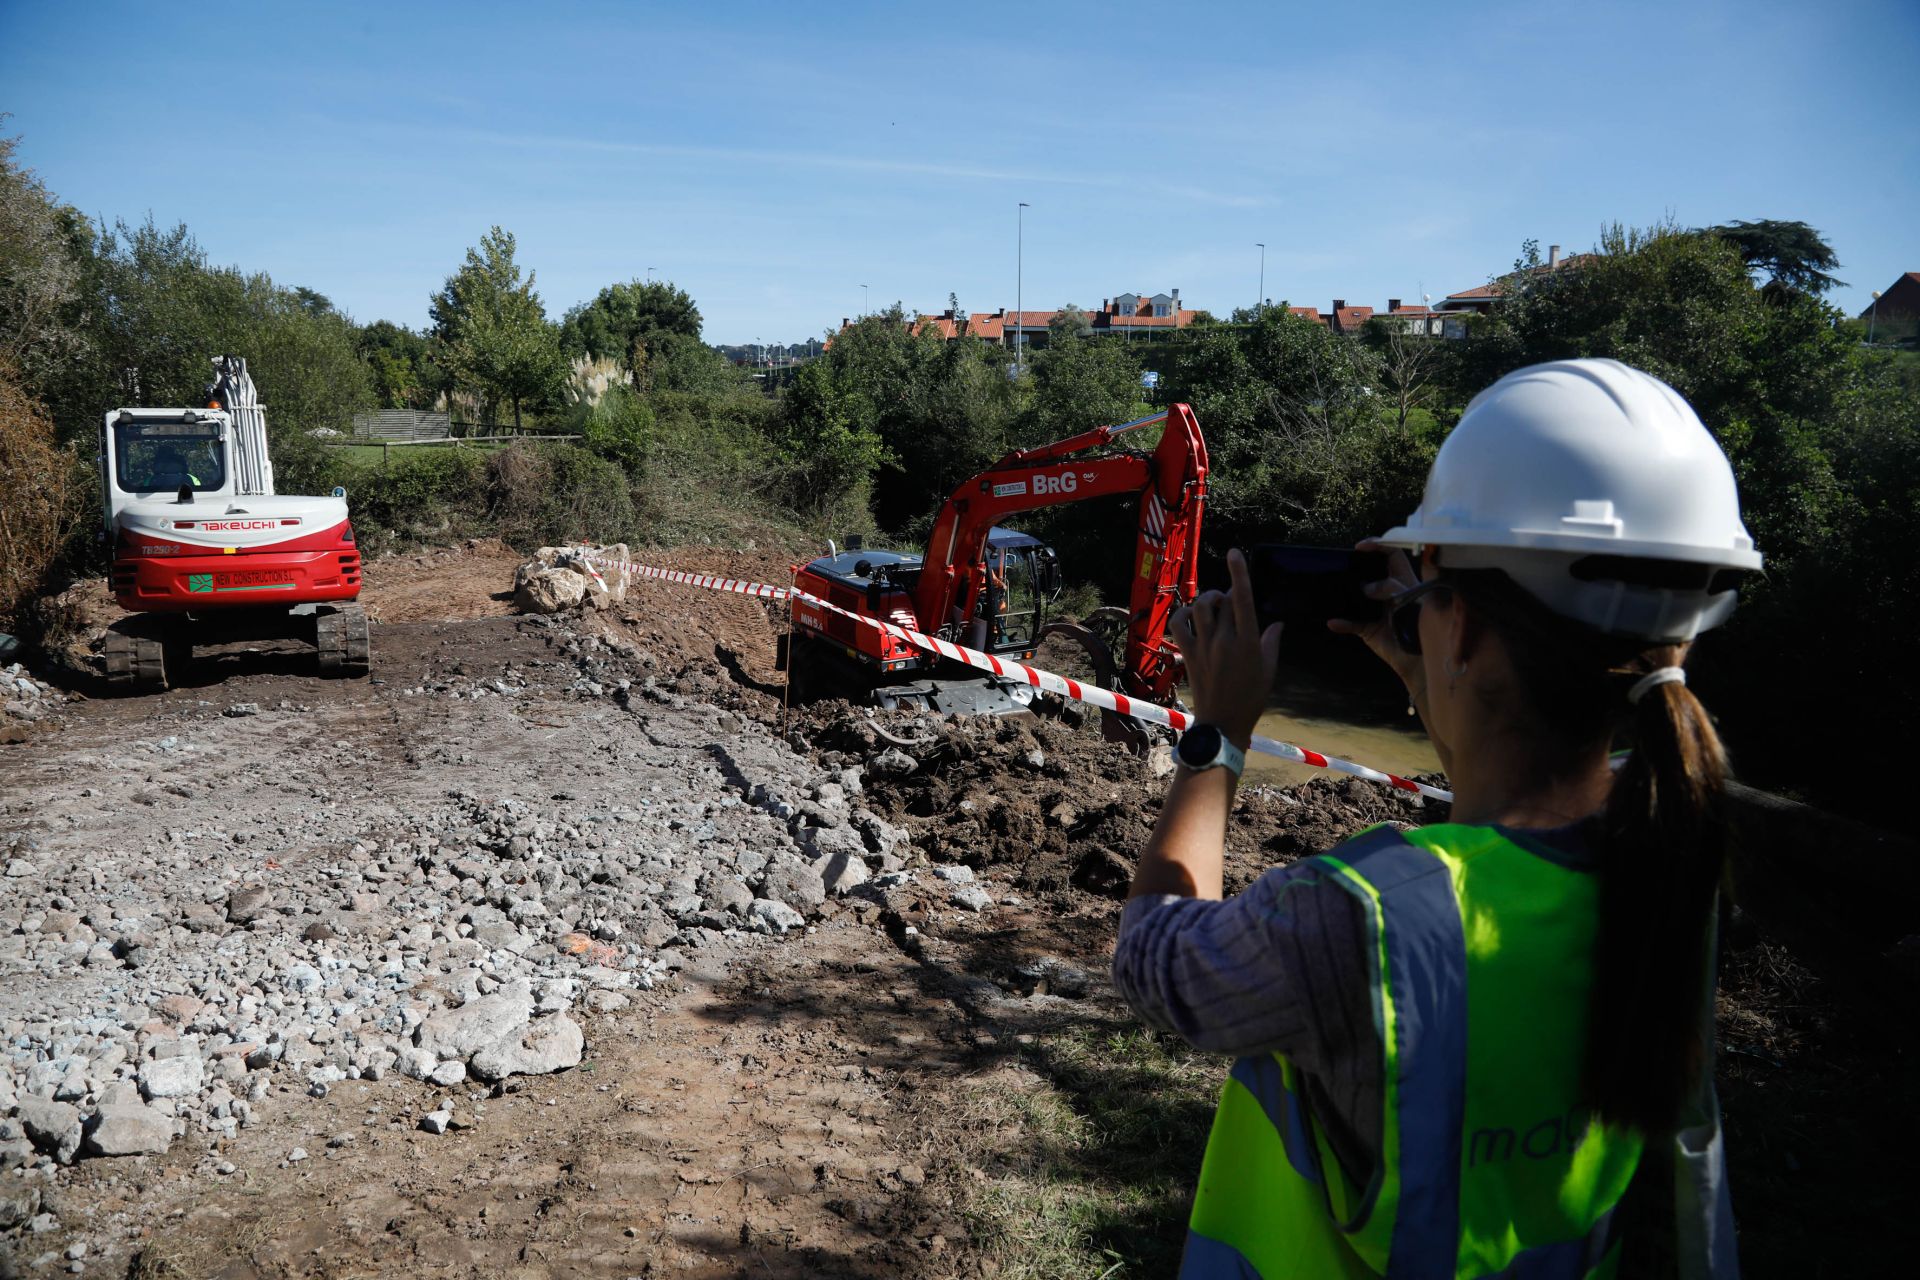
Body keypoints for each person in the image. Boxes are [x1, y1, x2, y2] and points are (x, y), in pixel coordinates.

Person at [1112, 359, 1757, 1278]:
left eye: (1431, 593)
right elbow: (1513, 824)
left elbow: (1154, 958)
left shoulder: (1359, 918)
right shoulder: (1670, 854)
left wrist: (1217, 733)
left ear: (1463, 627)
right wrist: (1435, 679)